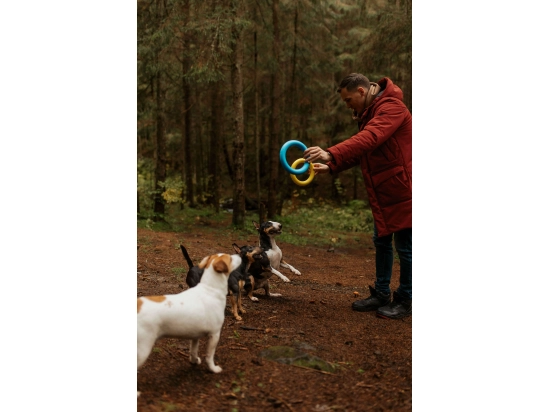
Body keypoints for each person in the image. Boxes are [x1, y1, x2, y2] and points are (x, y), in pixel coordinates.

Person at [303, 73, 412, 320]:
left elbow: (370, 138)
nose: (347, 105)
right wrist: (332, 166)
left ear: (362, 92)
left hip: (404, 189)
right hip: (384, 190)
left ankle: (406, 299)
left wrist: (331, 153)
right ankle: (382, 293)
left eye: (348, 99)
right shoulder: (369, 112)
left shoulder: (391, 107)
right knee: (382, 241)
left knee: (405, 248)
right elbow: (366, 150)